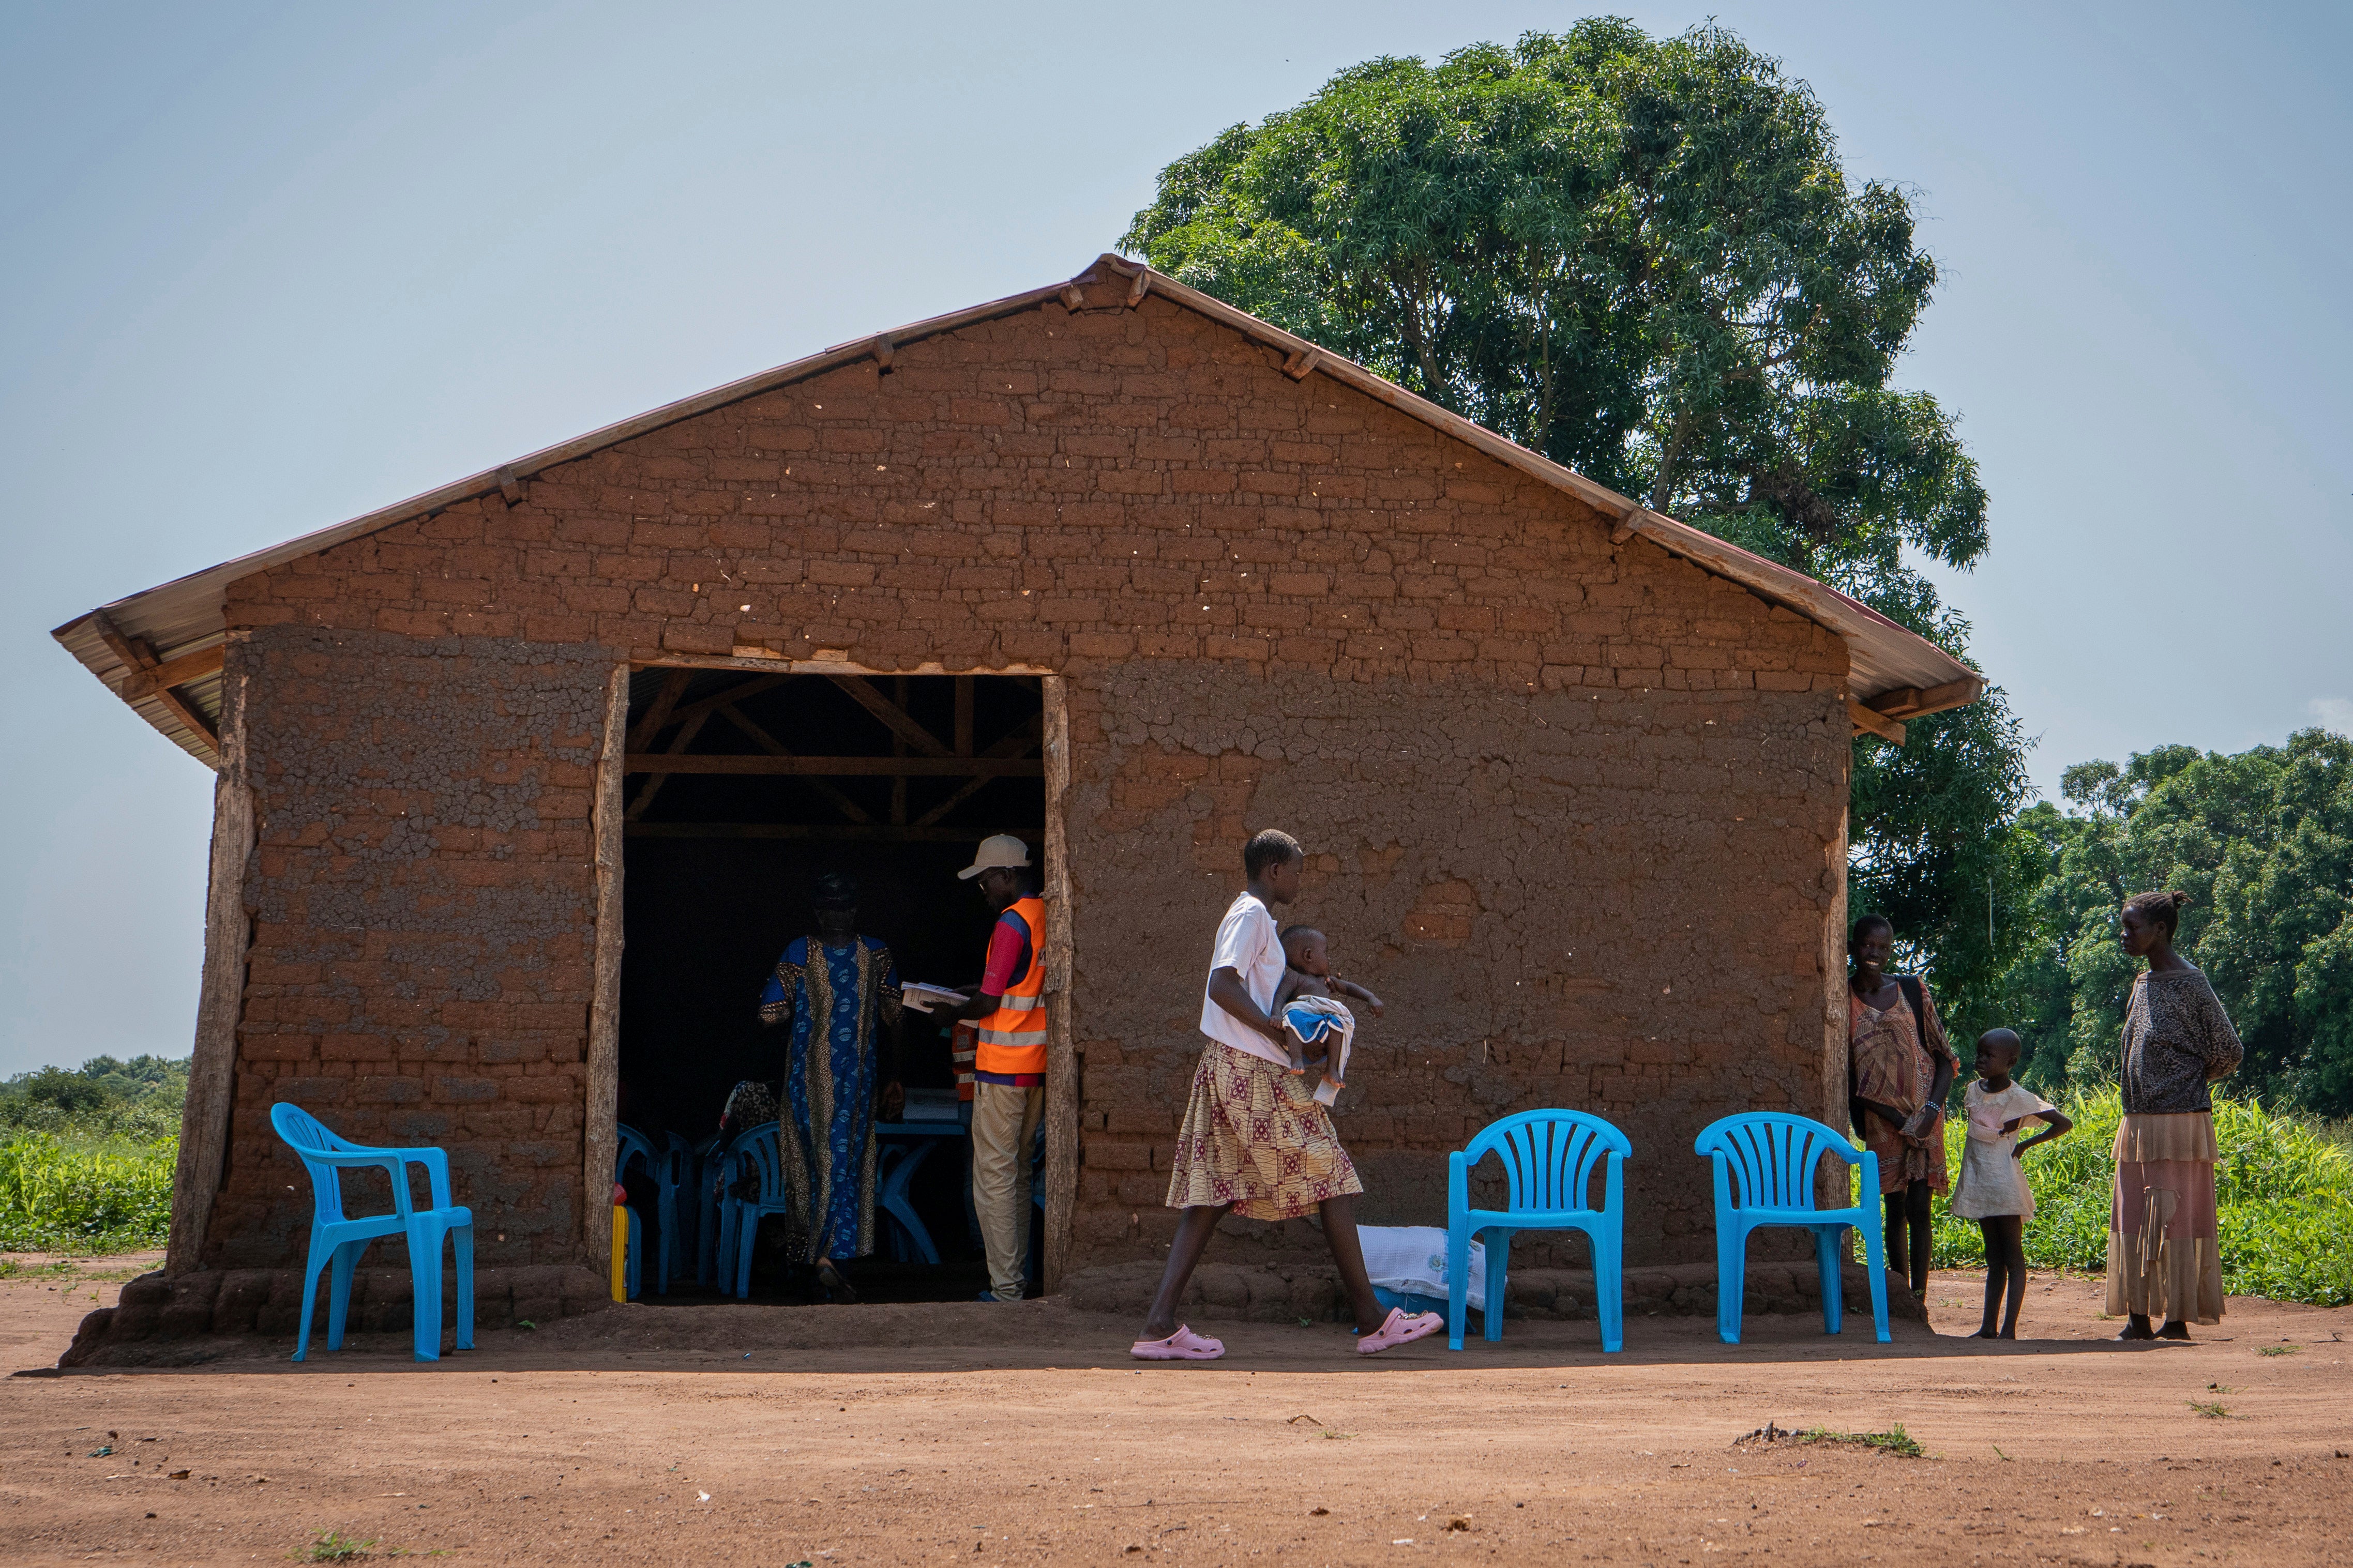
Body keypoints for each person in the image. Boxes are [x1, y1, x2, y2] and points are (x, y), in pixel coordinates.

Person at [1131, 829, 1440, 1361]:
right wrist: (1275, 1031)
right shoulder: (1250, 915)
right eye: (1296, 869)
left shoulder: (1258, 922)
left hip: (1230, 1065)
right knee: (1332, 1176)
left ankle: (1158, 1326)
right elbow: (1221, 985)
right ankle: (1374, 1321)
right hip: (1249, 1069)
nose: (1299, 879)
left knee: (1214, 1190)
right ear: (1274, 870)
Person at [755, 873, 903, 1301]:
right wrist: (897, 1074)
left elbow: (768, 1014)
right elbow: (897, 1017)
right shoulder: (876, 953)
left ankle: (817, 1258)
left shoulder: (799, 952)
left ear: (819, 912)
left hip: (806, 1085)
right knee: (846, 1163)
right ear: (853, 911)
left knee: (809, 1166)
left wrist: (803, 1004)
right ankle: (833, 1260)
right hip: (857, 1084)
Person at [2109, 889, 2242, 1341]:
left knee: (2174, 1218)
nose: (2124, 935)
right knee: (2135, 1217)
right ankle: (2139, 1317)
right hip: (2139, 1121)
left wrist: (2187, 1081)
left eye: (2133, 927)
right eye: (2124, 926)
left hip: (2180, 1122)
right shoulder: (2142, 983)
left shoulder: (2192, 983)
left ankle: (2178, 1318)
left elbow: (2229, 1050)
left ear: (2161, 931)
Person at [944, 835, 1049, 1303]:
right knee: (1019, 1173)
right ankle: (1016, 1281)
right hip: (1036, 1068)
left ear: (1008, 876)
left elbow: (989, 1002)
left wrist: (946, 1012)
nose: (983, 888)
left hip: (1002, 1068)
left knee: (993, 1179)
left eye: (987, 879)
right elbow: (1012, 985)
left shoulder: (1010, 924)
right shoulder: (1045, 915)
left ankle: (1006, 1288)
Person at [1846, 914, 1957, 1302]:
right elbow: (1846, 1075)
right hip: (1883, 1121)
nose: (1874, 953)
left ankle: (1920, 1296)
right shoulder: (1844, 999)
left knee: (1920, 1207)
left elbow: (1945, 1059)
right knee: (1895, 1207)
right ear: (1853, 946)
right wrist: (1893, 1116)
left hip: (1926, 1115)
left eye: (1882, 947)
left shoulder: (1912, 990)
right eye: (1866, 945)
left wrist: (1930, 1109)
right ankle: (1900, 1299)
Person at [1948, 1028, 2072, 1339]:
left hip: (2005, 1183)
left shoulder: (2018, 1097)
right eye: (1979, 1053)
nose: (1981, 1060)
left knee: (2013, 1257)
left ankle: (2009, 1329)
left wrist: (2027, 1144)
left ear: (2011, 1061)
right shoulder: (1973, 1091)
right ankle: (1988, 1327)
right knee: (1994, 1259)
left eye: (1989, 1055)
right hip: (1979, 1182)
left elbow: (2063, 1123)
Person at [1274, 925, 1384, 1086]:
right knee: (1292, 1017)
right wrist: (1276, 1014)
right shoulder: (1295, 978)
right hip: (1303, 1021)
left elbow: (1348, 988)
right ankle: (1296, 1059)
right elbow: (1280, 997)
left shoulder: (1326, 981)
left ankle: (1331, 1069)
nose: (1329, 959)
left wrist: (1370, 997)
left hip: (1322, 1026)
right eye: (1326, 953)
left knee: (1338, 1023)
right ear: (1309, 955)